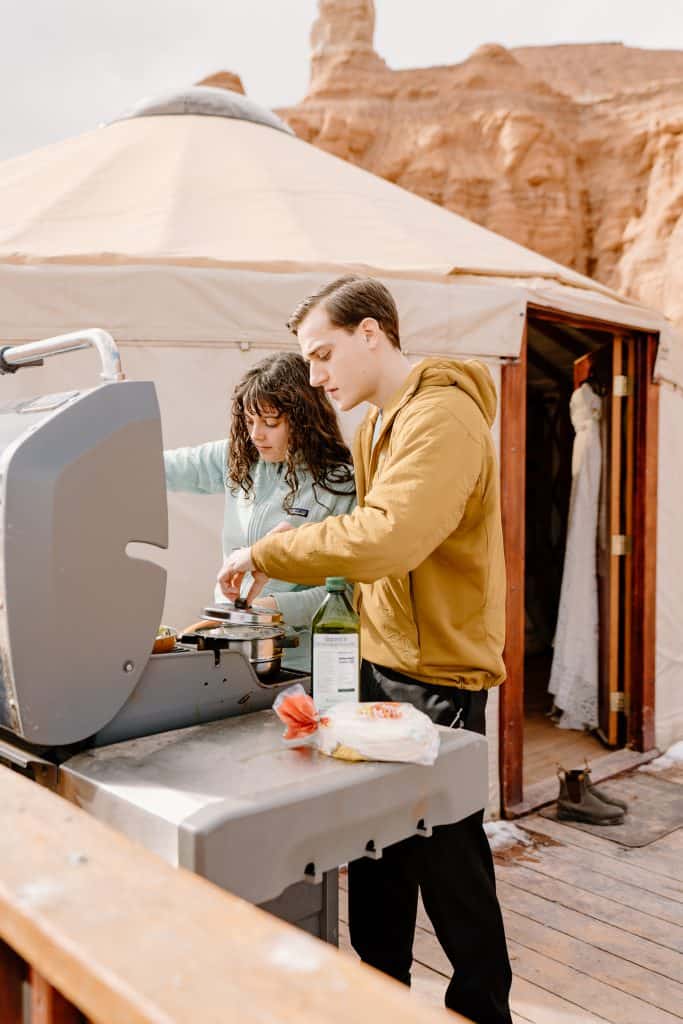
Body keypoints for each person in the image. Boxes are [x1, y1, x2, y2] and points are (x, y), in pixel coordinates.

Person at [218, 276, 513, 1024]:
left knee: (450, 866)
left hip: (438, 672)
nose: (315, 378)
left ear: (372, 333)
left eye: (323, 355)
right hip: (386, 663)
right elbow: (366, 543)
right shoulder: (379, 422)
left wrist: (268, 555)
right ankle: (379, 1000)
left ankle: (483, 1011)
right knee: (378, 853)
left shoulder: (440, 417)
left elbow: (389, 539)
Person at [164, 352, 355, 671]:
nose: (256, 435)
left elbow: (345, 593)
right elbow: (162, 467)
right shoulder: (238, 459)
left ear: (304, 419)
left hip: (304, 662)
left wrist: (268, 609)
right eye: (249, 422)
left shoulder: (341, 484)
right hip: (234, 650)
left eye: (270, 423)